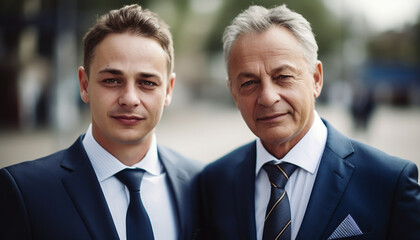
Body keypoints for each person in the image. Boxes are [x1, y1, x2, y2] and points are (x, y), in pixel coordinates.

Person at [199, 4, 420, 240]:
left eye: (283, 77)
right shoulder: (213, 183)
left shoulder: (388, 182)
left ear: (316, 79)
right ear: (233, 92)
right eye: (249, 83)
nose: (267, 97)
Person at [0, 4, 202, 240]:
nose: (129, 99)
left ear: (168, 90)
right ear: (84, 85)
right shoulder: (24, 190)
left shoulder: (202, 183)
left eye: (147, 83)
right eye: (112, 80)